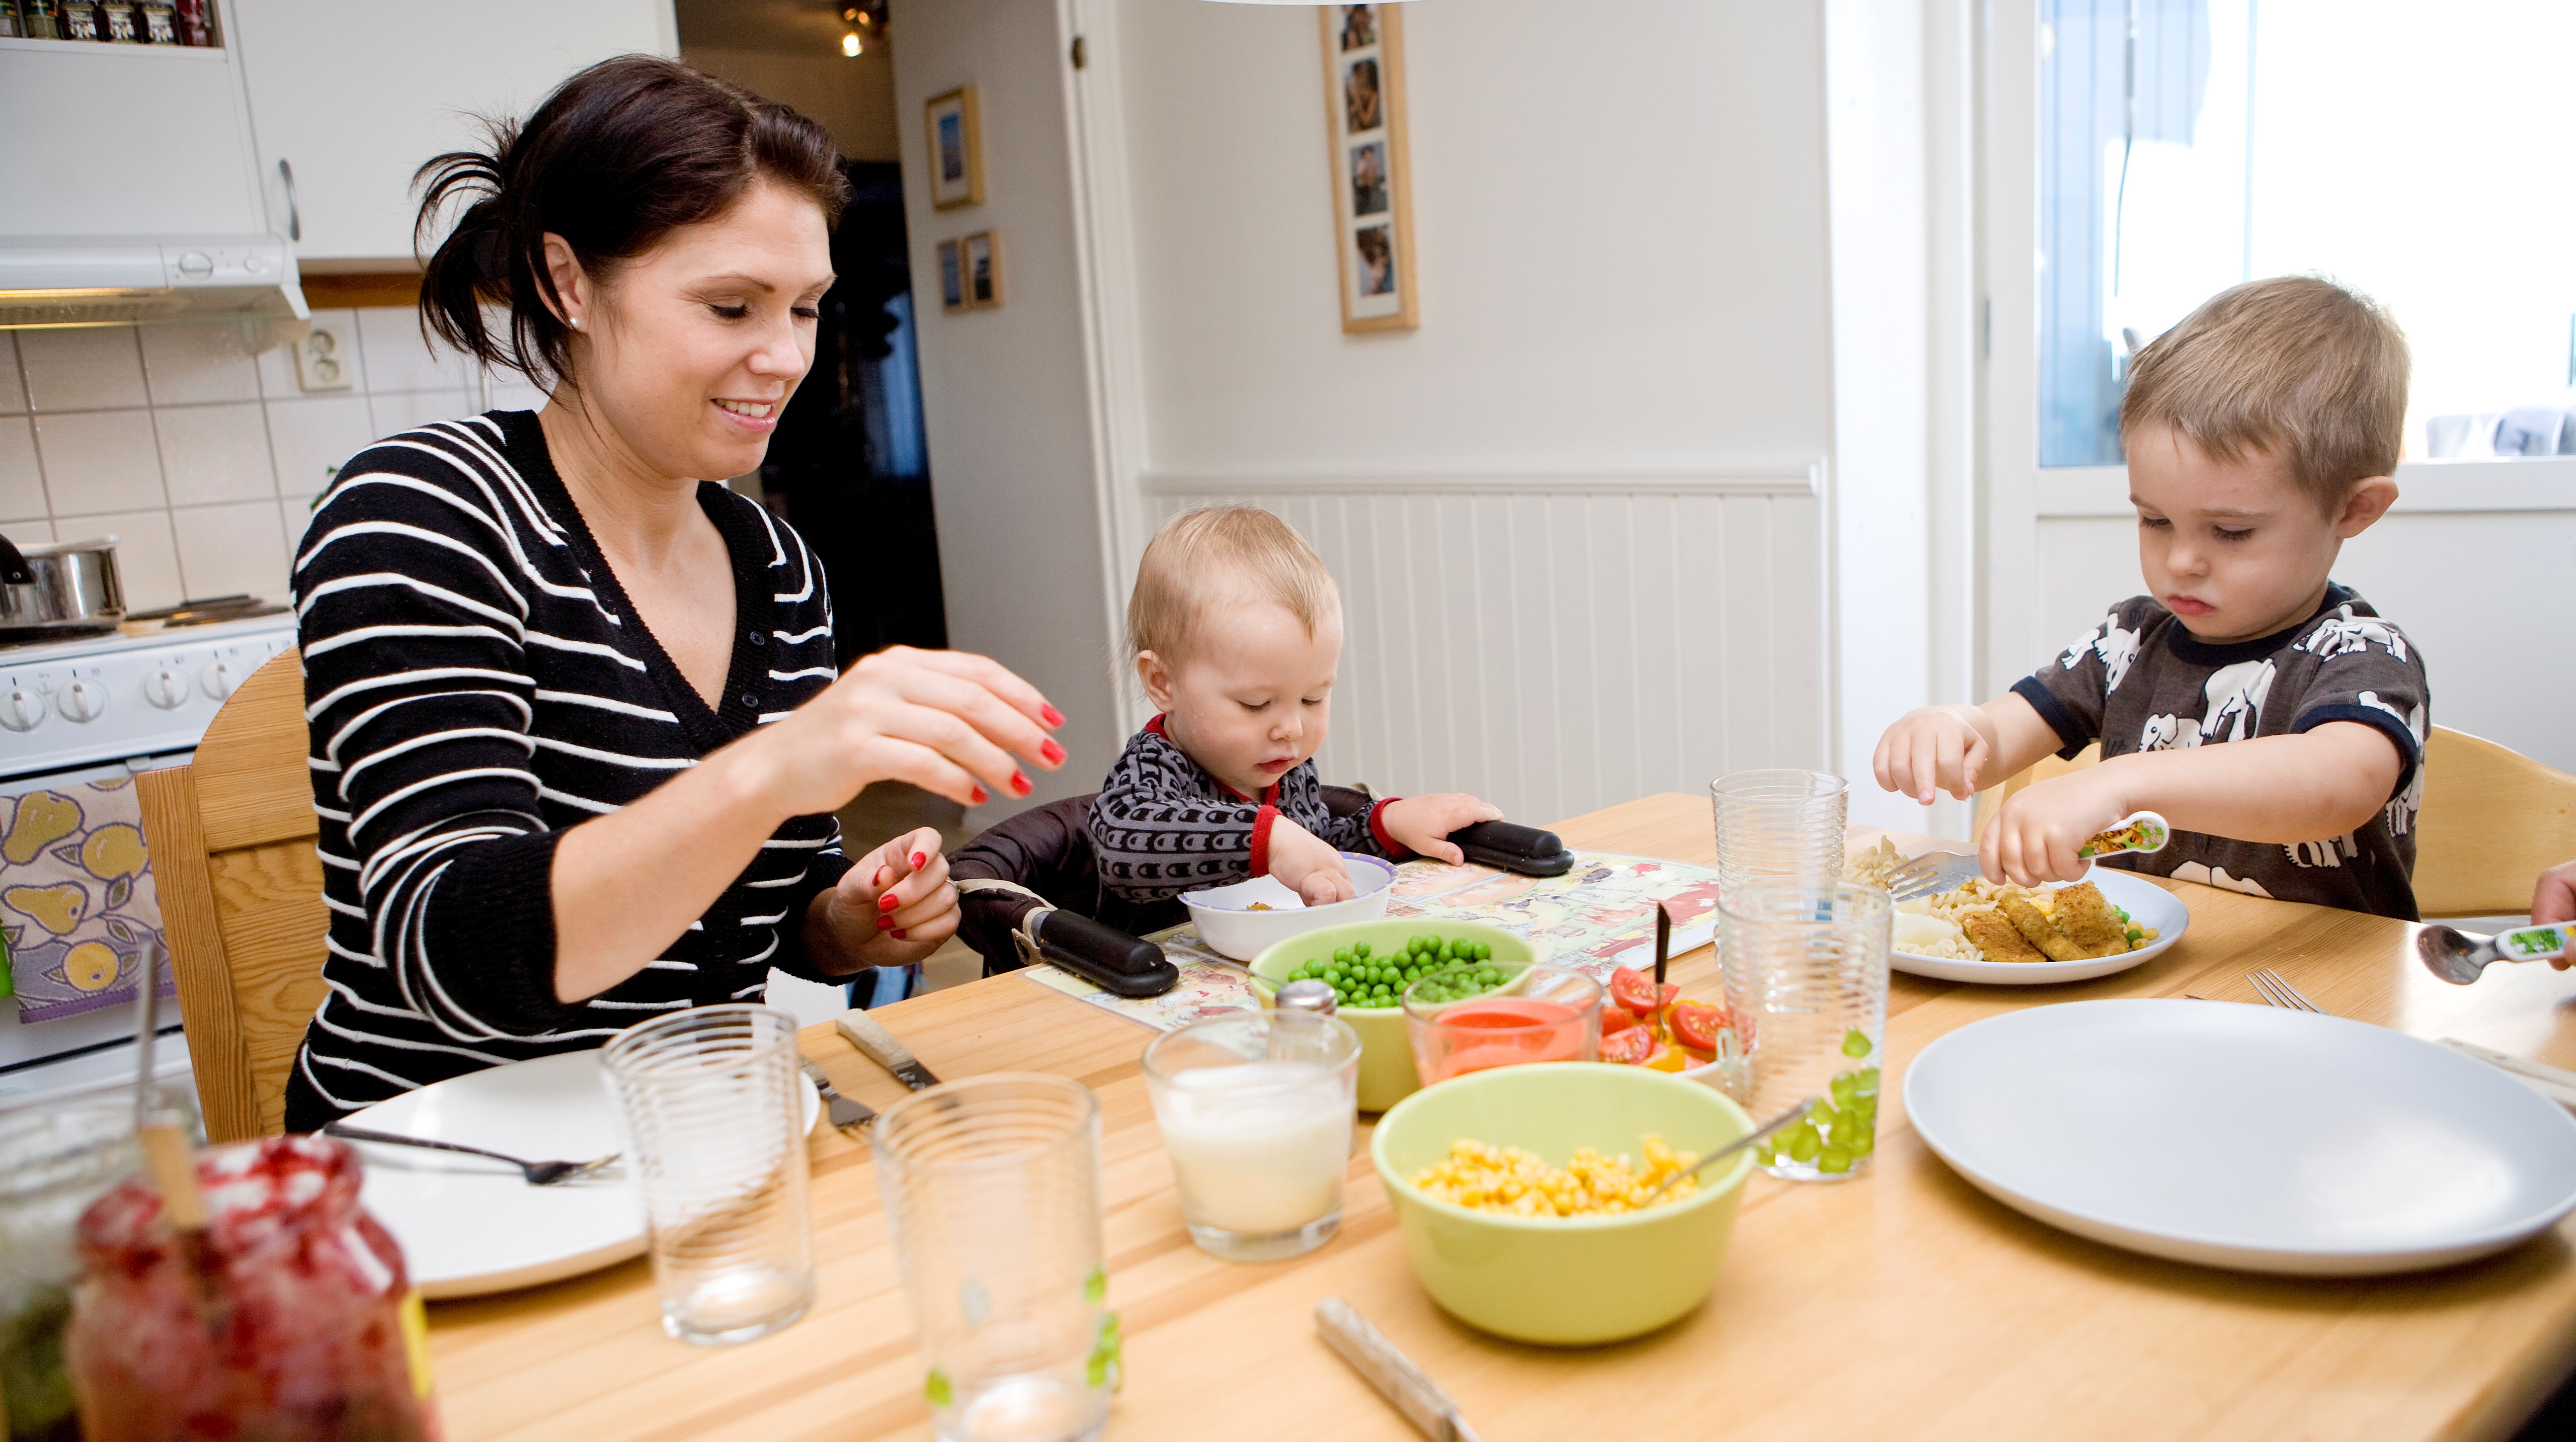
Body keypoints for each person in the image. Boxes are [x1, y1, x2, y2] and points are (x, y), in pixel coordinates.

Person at [281, 56, 1066, 1130]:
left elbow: (767, 908)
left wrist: (847, 918)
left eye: (804, 307)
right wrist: (776, 765)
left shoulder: (776, 565)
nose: (785, 355)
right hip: (446, 1176)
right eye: (731, 304)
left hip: (700, 1146)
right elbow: (457, 956)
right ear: (567, 284)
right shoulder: (426, 510)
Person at [1873, 276, 2429, 918]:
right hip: (2157, 978)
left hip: (2324, 991)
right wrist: (1955, 727)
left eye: (2230, 531)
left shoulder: (2360, 652)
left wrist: (2118, 781)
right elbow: (2003, 731)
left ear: (2354, 508)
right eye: (2154, 520)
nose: (2180, 561)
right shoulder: (2128, 641)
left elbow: (2337, 783)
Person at [1087, 507, 1499, 909]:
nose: (1291, 727)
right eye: (1256, 703)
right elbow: (1121, 842)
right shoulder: (1152, 766)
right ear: (1163, 682)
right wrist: (1270, 840)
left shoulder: (1288, 767)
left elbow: (1318, 851)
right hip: (1155, 971)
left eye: (1312, 699)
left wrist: (1390, 824)